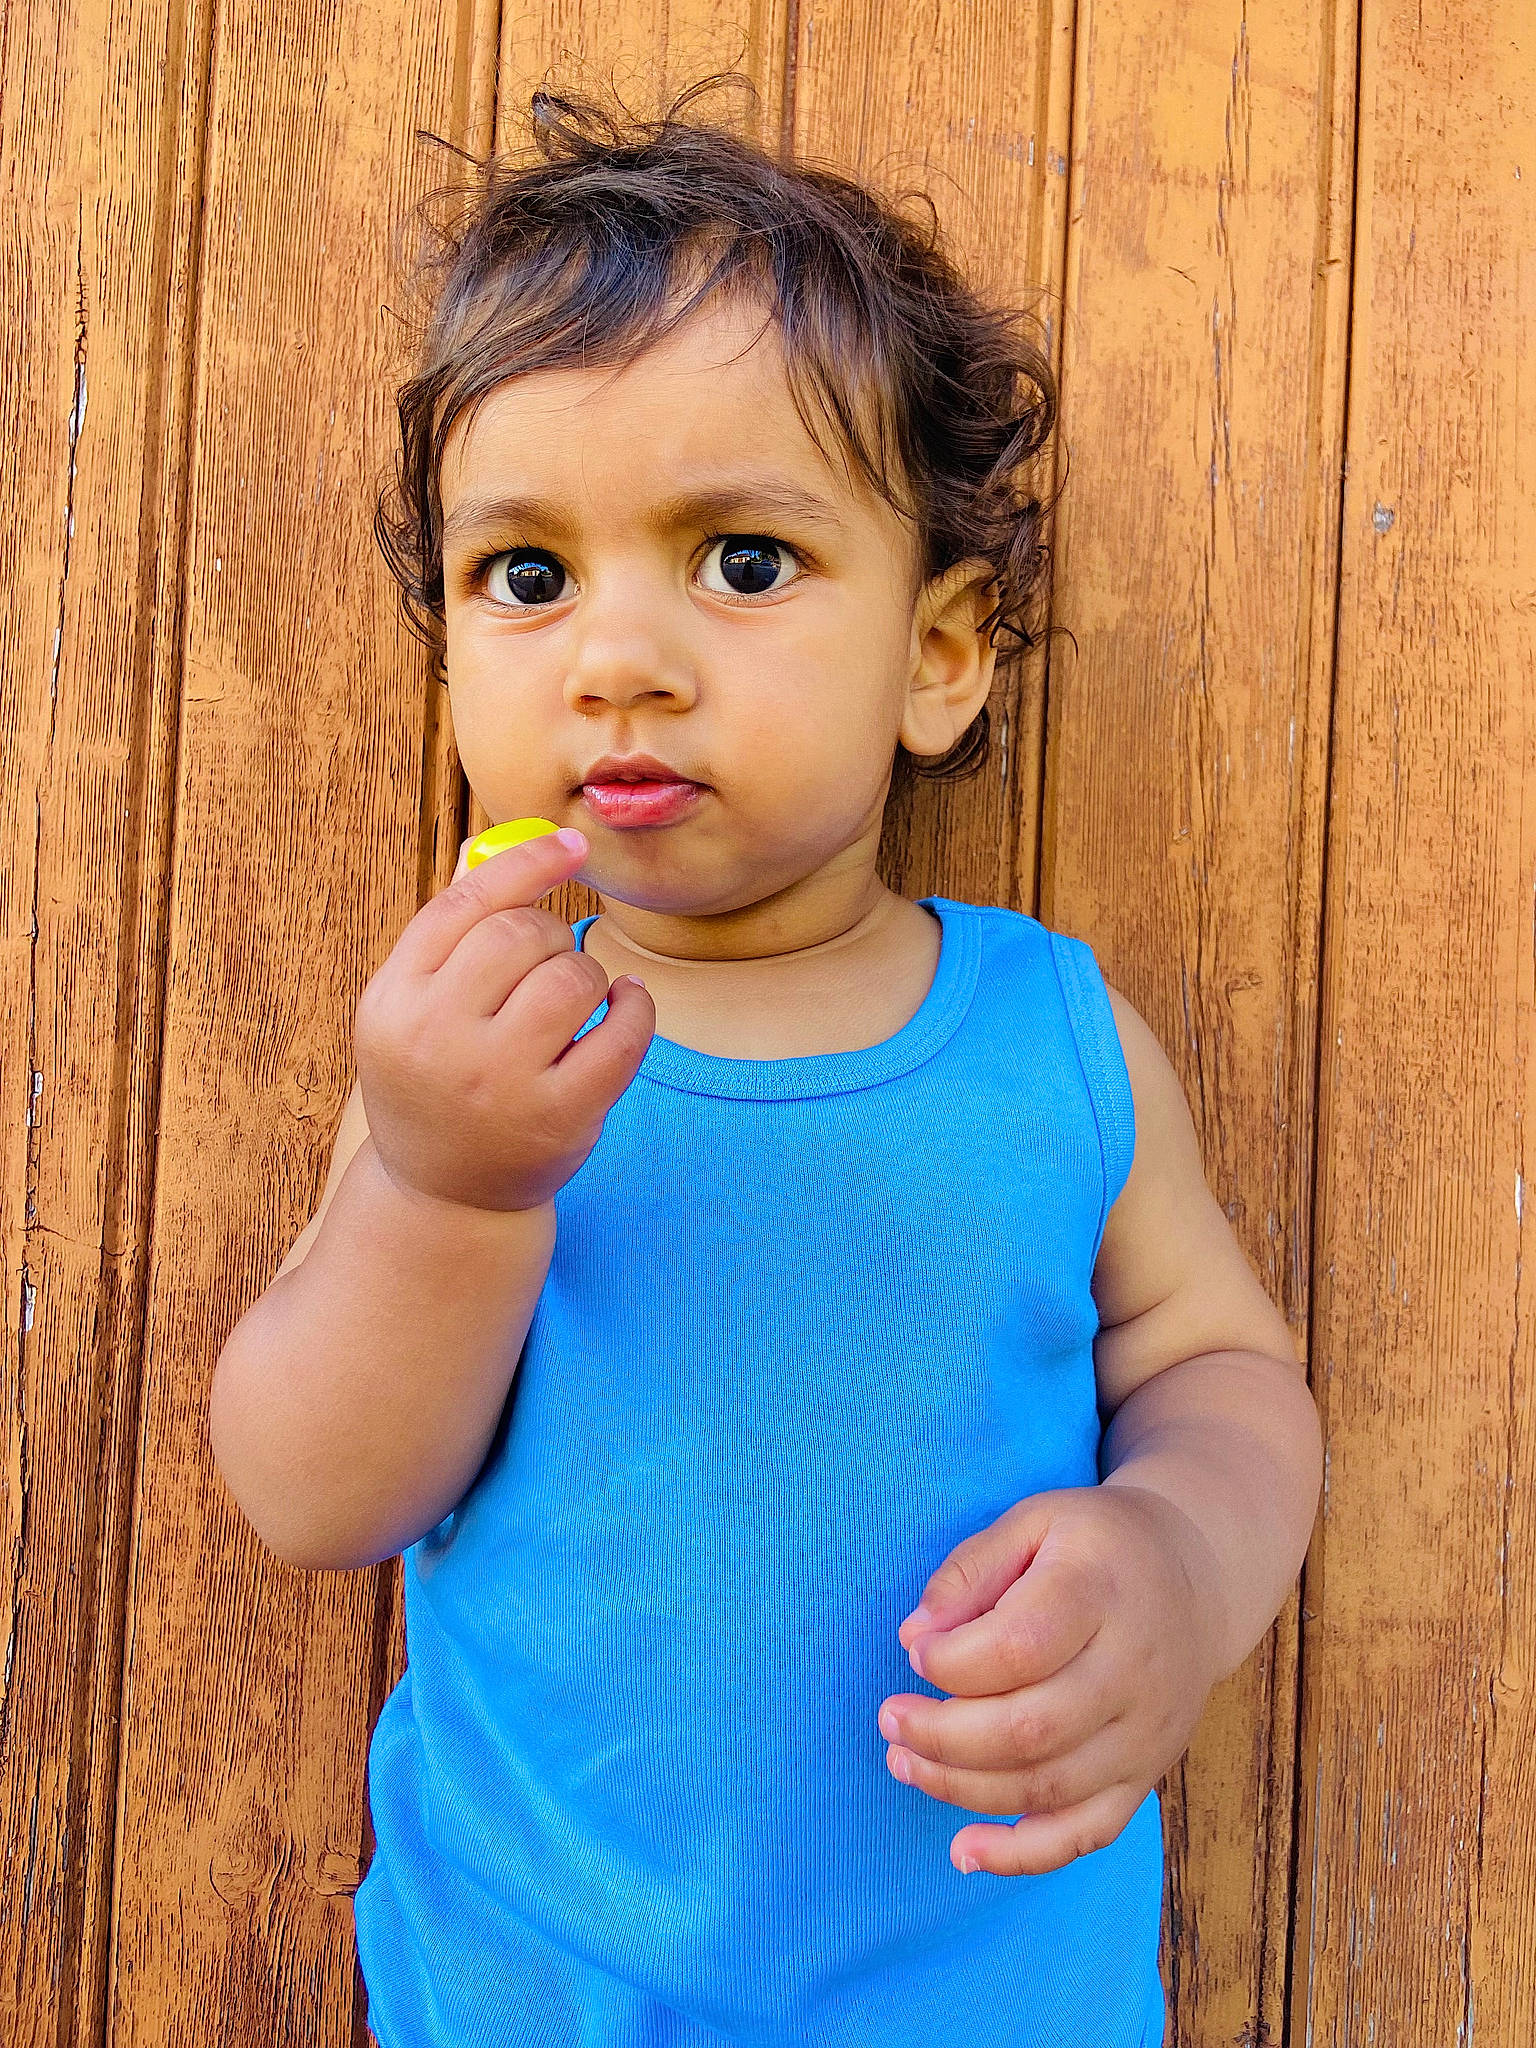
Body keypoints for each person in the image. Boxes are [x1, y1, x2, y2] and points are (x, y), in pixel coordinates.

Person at [208, 74, 1324, 2048]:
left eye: (739, 559)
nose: (614, 658)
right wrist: (441, 1181)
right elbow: (313, 1489)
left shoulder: (1054, 1044)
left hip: (991, 1995)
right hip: (534, 1993)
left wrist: (1180, 1554)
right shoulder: (479, 1046)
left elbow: (1224, 1373)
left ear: (940, 656)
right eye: (527, 575)